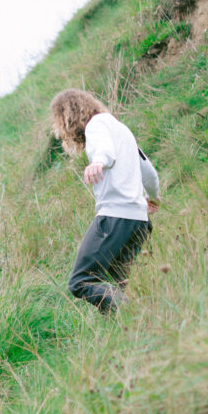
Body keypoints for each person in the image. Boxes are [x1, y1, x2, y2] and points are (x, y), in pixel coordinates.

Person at [50, 88, 160, 313]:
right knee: (115, 285)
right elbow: (149, 171)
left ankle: (134, 311)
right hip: (139, 221)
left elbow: (105, 152)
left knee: (81, 281)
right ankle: (130, 325)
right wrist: (153, 197)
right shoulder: (121, 130)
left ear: (69, 115)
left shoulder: (96, 125)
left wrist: (98, 162)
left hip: (115, 218)